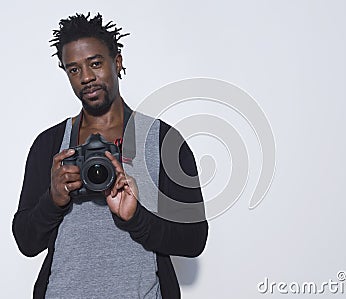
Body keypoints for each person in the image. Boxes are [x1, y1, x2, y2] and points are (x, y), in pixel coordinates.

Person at [12, 13, 208, 299]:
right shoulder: (51, 144)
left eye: (95, 63)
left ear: (117, 62)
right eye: (74, 70)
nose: (87, 78)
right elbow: (26, 242)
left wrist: (137, 218)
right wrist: (53, 201)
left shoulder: (164, 141)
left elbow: (194, 240)